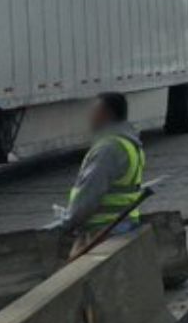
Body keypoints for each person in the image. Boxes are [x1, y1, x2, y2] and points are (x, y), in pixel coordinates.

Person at [57, 92, 146, 251]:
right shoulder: (128, 143)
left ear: (106, 114)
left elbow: (90, 193)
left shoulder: (108, 149)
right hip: (122, 224)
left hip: (104, 231)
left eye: (94, 112)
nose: (89, 117)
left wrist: (68, 222)